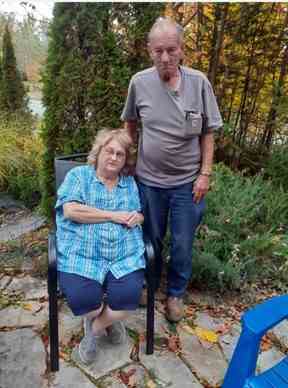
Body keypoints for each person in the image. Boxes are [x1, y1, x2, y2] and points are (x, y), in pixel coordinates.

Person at [121, 17, 223, 323]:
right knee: (149, 238)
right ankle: (148, 285)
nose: (165, 57)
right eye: (158, 51)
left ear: (181, 50)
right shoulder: (139, 83)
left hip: (186, 184)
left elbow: (208, 133)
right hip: (148, 182)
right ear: (149, 51)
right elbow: (129, 124)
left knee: (182, 243)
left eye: (171, 49)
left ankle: (176, 293)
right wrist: (126, 161)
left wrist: (205, 173)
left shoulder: (199, 83)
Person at [55, 128, 145, 365]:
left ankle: (93, 330)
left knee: (127, 300)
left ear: (125, 160)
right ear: (99, 152)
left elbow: (137, 212)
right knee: (87, 303)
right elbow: (71, 210)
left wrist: (138, 218)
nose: (114, 158)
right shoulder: (78, 176)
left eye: (120, 154)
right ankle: (98, 318)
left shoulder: (129, 184)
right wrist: (113, 215)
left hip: (123, 256)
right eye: (109, 151)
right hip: (81, 255)